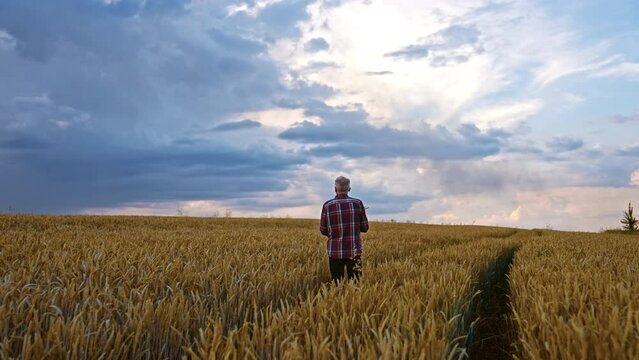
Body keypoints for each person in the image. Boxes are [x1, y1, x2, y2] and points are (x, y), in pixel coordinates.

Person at [320, 176, 369, 284]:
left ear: (335, 189)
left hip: (335, 251)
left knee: (337, 285)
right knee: (356, 286)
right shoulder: (357, 203)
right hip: (354, 251)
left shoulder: (327, 205)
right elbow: (365, 228)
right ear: (349, 189)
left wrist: (335, 235)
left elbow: (323, 229)